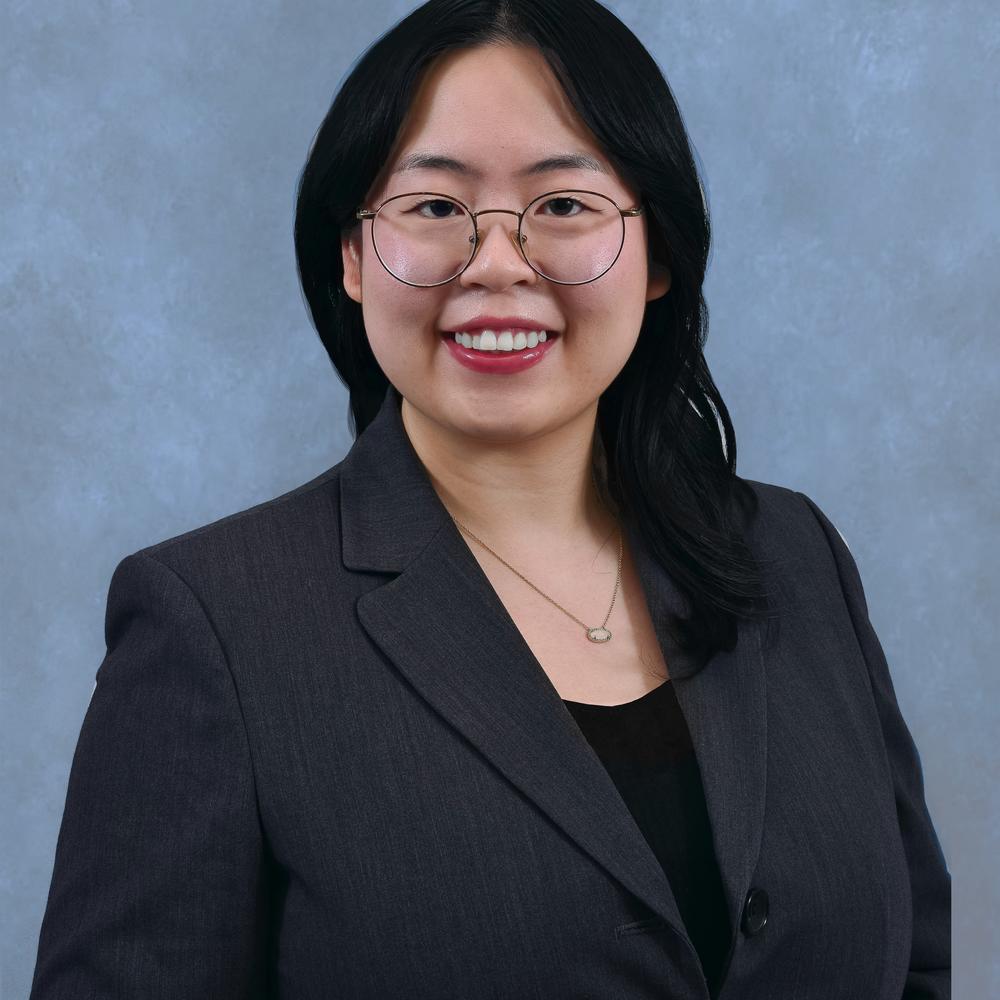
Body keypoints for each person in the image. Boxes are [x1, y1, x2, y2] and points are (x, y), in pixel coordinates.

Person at [29, 1, 951, 997]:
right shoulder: (213, 624)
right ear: (352, 256)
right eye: (435, 208)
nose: (498, 264)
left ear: (658, 255)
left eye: (563, 205)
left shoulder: (794, 553)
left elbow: (915, 962)